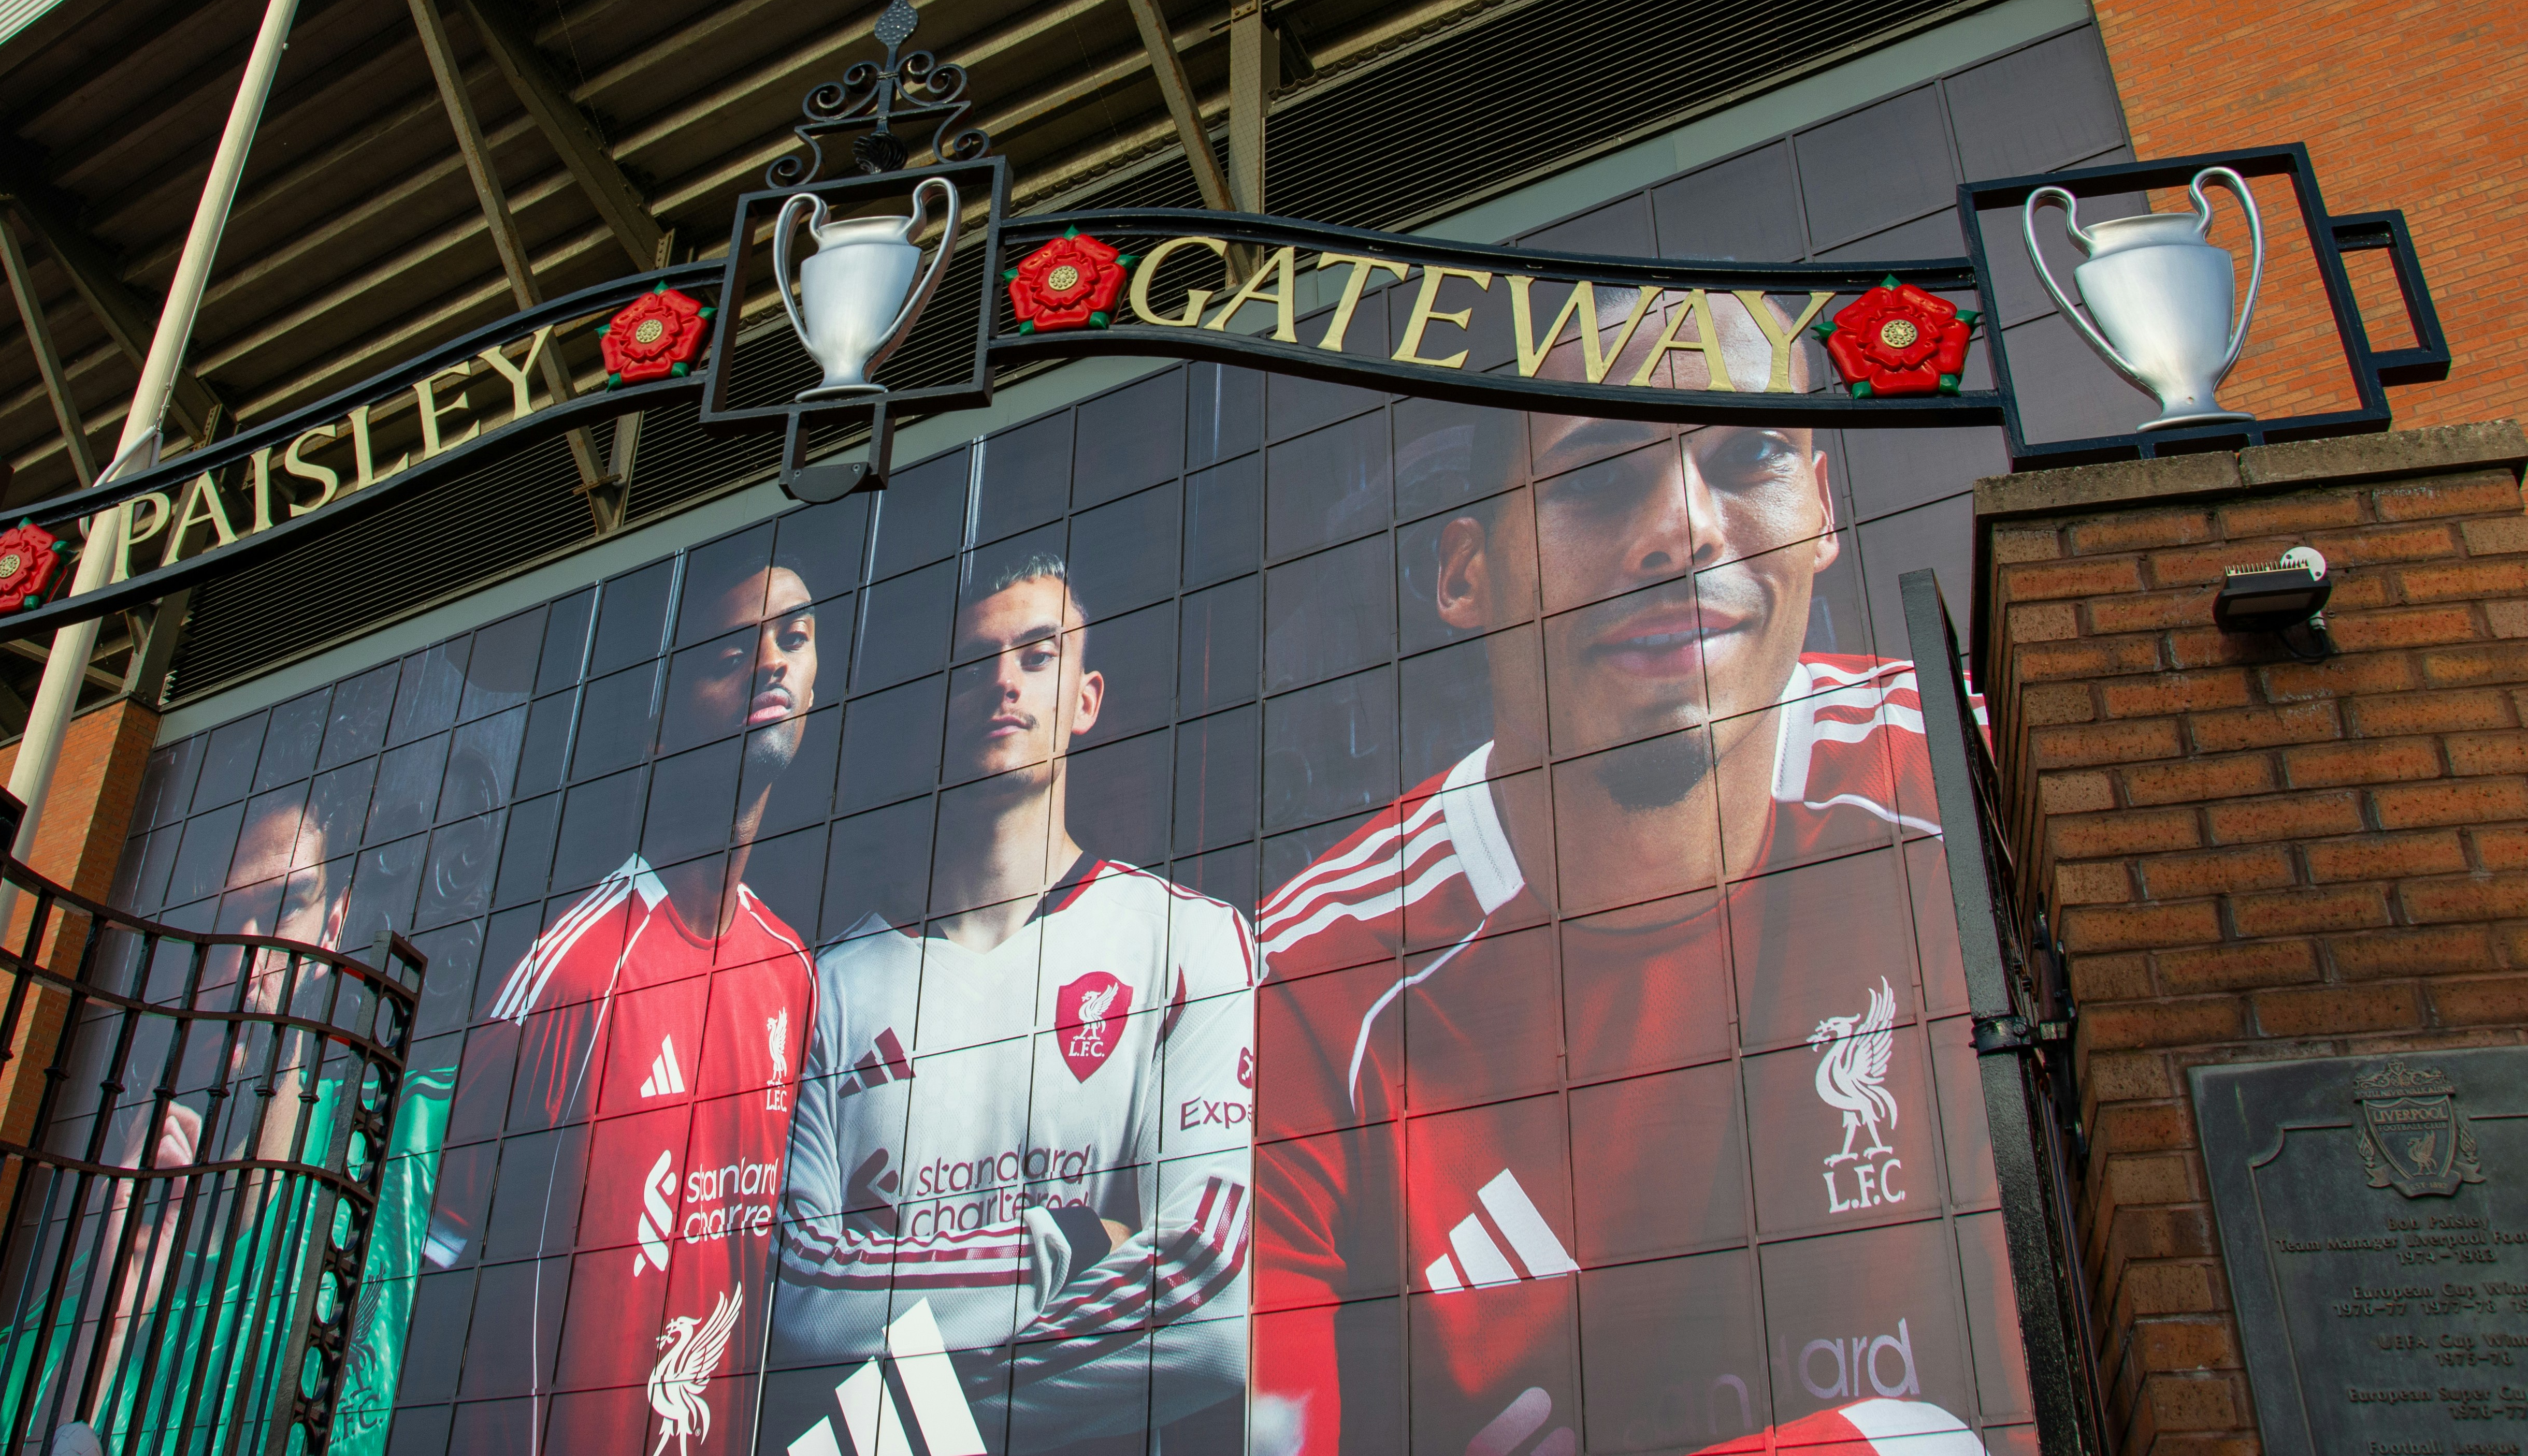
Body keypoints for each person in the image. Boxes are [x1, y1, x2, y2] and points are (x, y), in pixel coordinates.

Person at [1251, 290, 1995, 1456]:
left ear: (1821, 511)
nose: (1683, 528)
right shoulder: (1307, 985)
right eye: (1598, 477)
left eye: (1748, 455)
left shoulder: (1975, 778)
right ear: (1467, 576)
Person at [770, 555, 1255, 1453]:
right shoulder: (826, 987)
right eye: (977, 664)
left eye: (1037, 655)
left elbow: (1211, 1302)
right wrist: (1072, 1240)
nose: (1004, 682)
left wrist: (889, 1425)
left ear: (1086, 699)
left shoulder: (1189, 943)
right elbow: (798, 1300)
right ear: (941, 710)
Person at [426, 556, 829, 1456]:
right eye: (730, 653)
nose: (772, 662)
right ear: (657, 730)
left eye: (794, 638)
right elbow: (421, 1270)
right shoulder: (570, 975)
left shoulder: (793, 973)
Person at [0, 797, 446, 1456]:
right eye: (223, 921)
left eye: (285, 905)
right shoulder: (60, 1320)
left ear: (333, 925)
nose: (247, 950)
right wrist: (113, 1305)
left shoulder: (416, 1143)